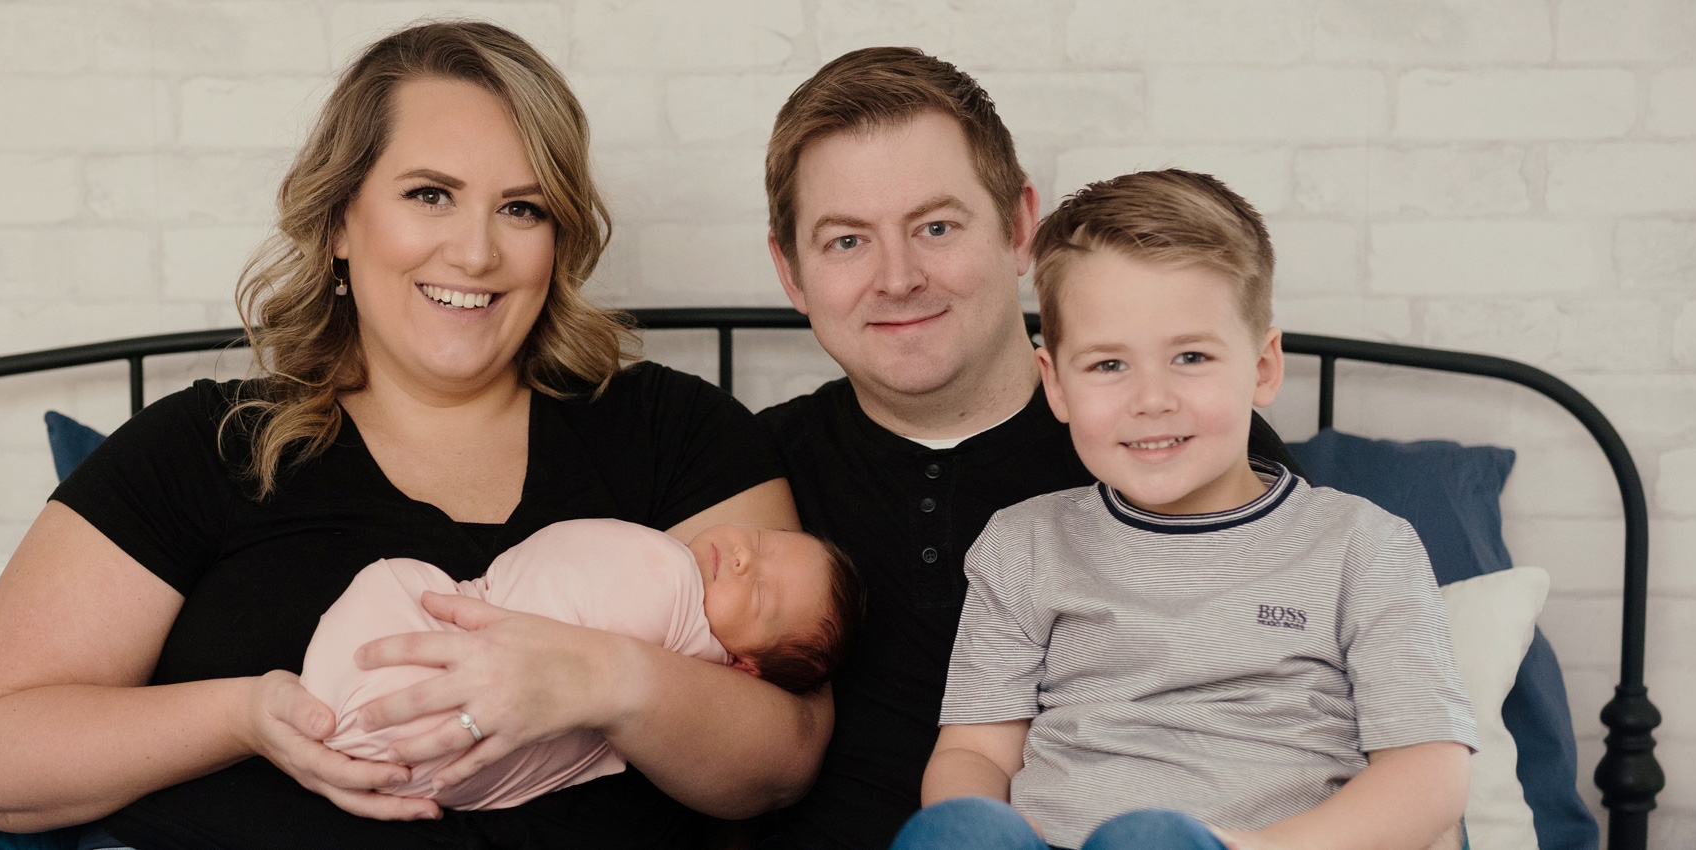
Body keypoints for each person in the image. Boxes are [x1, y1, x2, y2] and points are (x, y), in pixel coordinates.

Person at [0, 21, 830, 850]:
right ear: (339, 223)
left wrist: (602, 679)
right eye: (431, 195)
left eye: (523, 208)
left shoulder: (672, 433)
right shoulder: (211, 446)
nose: (476, 252)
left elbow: (784, 755)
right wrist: (249, 716)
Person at [753, 47, 1302, 849]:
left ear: (1019, 229)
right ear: (791, 272)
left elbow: (1302, 721)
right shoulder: (749, 474)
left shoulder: (1176, 446)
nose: (898, 277)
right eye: (846, 242)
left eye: (936, 227)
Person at [901, 169, 1477, 850]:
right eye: (1109, 366)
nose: (1152, 398)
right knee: (956, 831)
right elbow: (976, 754)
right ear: (1054, 384)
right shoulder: (1024, 544)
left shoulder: (1361, 547)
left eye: (1191, 356)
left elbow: (1430, 775)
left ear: (1262, 367)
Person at [302, 518, 863, 810]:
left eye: (760, 592)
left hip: (420, 728)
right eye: (761, 543)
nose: (742, 557)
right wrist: (248, 715)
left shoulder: (693, 650)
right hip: (349, 701)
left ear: (744, 667)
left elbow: (786, 753)